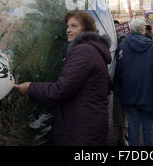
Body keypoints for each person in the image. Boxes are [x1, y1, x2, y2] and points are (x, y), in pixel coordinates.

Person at [14, 10, 112, 146]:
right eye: (67, 26)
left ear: (86, 28)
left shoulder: (83, 51)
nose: (68, 30)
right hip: (89, 126)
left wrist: (30, 87)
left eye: (74, 26)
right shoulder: (94, 50)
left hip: (79, 131)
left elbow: (60, 90)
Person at [114, 18, 153, 146]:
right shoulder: (152, 47)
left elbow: (118, 73)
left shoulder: (122, 46)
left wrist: (117, 92)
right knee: (148, 128)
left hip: (129, 93)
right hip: (148, 93)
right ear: (141, 29)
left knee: (132, 127)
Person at [112, 20, 129, 146]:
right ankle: (122, 136)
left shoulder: (123, 42)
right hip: (119, 82)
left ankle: (123, 135)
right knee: (120, 112)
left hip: (122, 82)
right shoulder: (113, 42)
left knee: (123, 111)